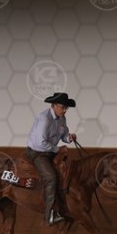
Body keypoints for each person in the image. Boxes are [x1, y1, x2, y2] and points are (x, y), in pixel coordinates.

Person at [26, 92, 77, 226]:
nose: (64, 110)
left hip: (50, 152)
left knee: (67, 171)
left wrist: (69, 138)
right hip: (37, 153)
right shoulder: (45, 118)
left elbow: (63, 135)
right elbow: (40, 143)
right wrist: (58, 149)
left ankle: (62, 207)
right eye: (62, 107)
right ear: (53, 105)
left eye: (66, 108)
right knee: (51, 178)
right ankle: (49, 215)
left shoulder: (62, 118)